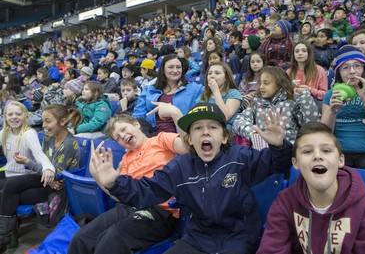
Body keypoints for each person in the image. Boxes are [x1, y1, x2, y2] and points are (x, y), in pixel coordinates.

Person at [89, 102, 293, 254]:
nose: (205, 132)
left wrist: (279, 147)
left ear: (223, 137)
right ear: (190, 139)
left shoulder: (240, 156)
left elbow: (276, 163)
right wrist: (114, 183)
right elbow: (146, 190)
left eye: (212, 127)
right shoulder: (179, 167)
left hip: (238, 237)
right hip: (197, 238)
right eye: (197, 128)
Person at [68, 113, 190, 254]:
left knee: (113, 239)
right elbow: (119, 197)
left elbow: (188, 147)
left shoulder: (161, 140)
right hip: (128, 207)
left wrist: (174, 113)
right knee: (81, 237)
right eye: (118, 138)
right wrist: (99, 178)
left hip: (160, 211)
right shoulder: (125, 160)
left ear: (136, 124)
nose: (123, 136)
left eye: (124, 129)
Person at [256, 121, 365, 254]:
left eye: (326, 150)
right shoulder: (285, 202)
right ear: (295, 163)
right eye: (307, 151)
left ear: (341, 160)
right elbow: (271, 248)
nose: (317, 156)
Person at [0, 104, 81, 252]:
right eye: (43, 121)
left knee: (8, 189)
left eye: (47, 121)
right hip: (44, 181)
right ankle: (3, 239)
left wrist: (27, 162)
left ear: (62, 122)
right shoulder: (49, 138)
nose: (43, 126)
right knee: (9, 188)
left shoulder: (69, 143)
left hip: (58, 190)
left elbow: (54, 174)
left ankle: (3, 239)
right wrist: (42, 169)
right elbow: (43, 164)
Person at [321, 45, 365, 170]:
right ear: (339, 72)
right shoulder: (331, 94)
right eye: (345, 67)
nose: (352, 71)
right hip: (339, 150)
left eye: (357, 66)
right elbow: (324, 132)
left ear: (364, 69)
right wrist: (332, 111)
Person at [232, 67, 319, 144]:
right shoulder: (256, 102)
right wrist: (254, 133)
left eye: (266, 83)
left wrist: (304, 97)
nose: (261, 87)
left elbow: (310, 123)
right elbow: (238, 121)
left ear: (279, 84)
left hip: (289, 149)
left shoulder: (291, 102)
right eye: (260, 83)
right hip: (264, 149)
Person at [133, 54, 203, 133]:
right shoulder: (149, 90)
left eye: (178, 67)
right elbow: (138, 114)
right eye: (171, 67)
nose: (175, 70)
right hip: (152, 136)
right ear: (163, 70)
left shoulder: (195, 89)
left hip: (180, 136)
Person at [0, 101, 55, 184]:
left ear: (25, 116)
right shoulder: (4, 132)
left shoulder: (29, 134)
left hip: (26, 175)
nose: (14, 117)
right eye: (10, 114)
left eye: (18, 114)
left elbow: (40, 155)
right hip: (9, 173)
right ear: (5, 118)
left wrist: (48, 168)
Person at [197, 61, 242, 129]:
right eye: (209, 73)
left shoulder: (234, 93)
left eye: (217, 73)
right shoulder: (202, 97)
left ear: (226, 78)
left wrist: (216, 91)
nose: (212, 76)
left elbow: (225, 117)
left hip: (225, 133)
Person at [287, 41, 328, 105]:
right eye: (297, 51)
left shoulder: (319, 70)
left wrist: (310, 90)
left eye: (304, 51)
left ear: (309, 53)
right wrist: (291, 88)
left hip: (314, 104)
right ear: (293, 54)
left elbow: (325, 95)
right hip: (294, 104)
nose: (300, 53)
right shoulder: (289, 72)